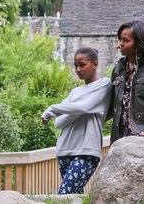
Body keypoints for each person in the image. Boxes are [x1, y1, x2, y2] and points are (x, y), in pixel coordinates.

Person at [41, 47, 111, 195]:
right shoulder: (75, 92)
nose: (78, 69)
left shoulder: (104, 84)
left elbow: (84, 107)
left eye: (82, 64)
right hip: (64, 150)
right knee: (74, 198)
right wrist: (76, 109)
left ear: (95, 64)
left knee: (64, 196)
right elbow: (58, 123)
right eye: (75, 65)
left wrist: (56, 108)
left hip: (87, 151)